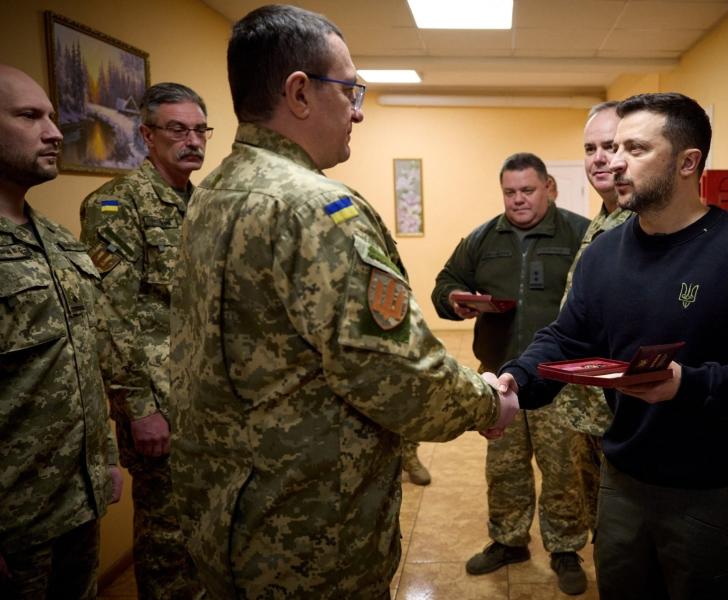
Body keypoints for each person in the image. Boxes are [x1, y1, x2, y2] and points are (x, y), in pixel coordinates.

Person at [167, 6, 517, 598]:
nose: (358, 111)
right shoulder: (316, 210)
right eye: (351, 90)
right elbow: (391, 370)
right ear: (299, 94)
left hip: (223, 513)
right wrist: (487, 403)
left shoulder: (214, 193)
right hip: (308, 531)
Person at [498, 93, 728, 599]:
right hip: (622, 484)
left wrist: (690, 385)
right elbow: (567, 337)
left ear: (687, 162)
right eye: (611, 147)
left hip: (710, 497)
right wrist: (517, 380)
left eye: (634, 148)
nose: (612, 161)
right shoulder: (604, 252)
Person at [431, 153, 592, 596]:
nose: (518, 200)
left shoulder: (578, 233)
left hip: (557, 378)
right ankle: (508, 540)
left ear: (549, 187)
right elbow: (445, 282)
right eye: (509, 192)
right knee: (503, 467)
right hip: (499, 375)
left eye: (527, 190)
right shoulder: (485, 237)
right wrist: (456, 301)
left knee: (562, 469)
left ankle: (565, 548)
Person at [78, 82, 207, 599]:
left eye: (200, 129)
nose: (192, 140)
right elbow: (109, 316)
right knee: (168, 538)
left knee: (201, 525)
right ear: (147, 135)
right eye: (178, 129)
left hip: (202, 397)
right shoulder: (115, 205)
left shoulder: (200, 203)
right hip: (159, 401)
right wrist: (138, 408)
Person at [0, 64, 121, 599]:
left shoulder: (55, 237)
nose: (54, 132)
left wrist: (106, 461)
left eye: (52, 115)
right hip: (14, 521)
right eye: (29, 116)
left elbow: (82, 359)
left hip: (76, 502)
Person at [552, 101, 632, 530]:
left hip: (619, 414)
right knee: (602, 526)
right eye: (589, 148)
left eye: (610, 145)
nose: (599, 157)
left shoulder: (642, 225)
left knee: (625, 530)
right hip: (584, 409)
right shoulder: (601, 221)